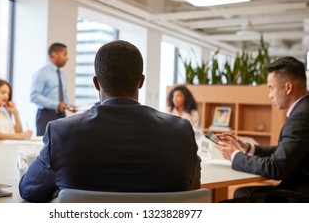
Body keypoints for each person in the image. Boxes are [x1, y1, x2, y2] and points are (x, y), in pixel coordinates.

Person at [19, 40, 201, 202]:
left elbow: (29, 190)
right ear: (141, 82)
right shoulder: (181, 130)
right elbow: (192, 187)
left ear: (96, 83)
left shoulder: (61, 132)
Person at [216, 56, 309, 202]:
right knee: (242, 192)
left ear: (288, 87)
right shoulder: (303, 110)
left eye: (271, 88)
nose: (269, 95)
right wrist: (248, 148)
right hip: (298, 189)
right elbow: (283, 151)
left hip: (299, 196)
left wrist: (234, 156)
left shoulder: (301, 117)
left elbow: (276, 167)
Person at [30, 43, 77, 136]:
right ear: (54, 54)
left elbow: (63, 94)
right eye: (64, 54)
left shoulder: (63, 75)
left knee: (62, 144)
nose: (67, 58)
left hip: (61, 116)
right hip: (46, 116)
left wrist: (68, 106)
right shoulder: (41, 73)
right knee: (44, 145)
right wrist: (56, 104)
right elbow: (34, 96)